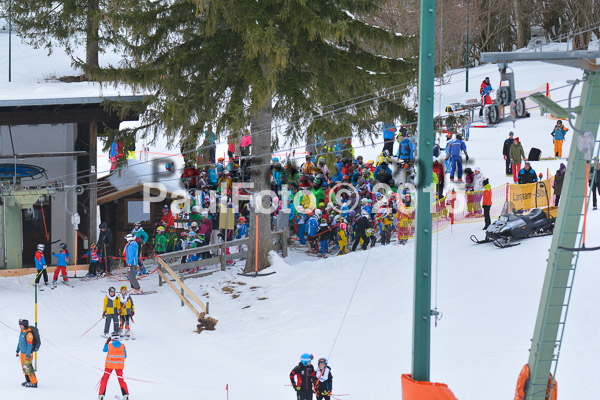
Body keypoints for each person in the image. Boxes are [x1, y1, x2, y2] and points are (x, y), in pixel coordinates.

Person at [98, 331, 130, 400]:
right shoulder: (122, 346)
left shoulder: (109, 345)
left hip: (109, 366)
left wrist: (107, 342)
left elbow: (104, 350)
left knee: (105, 379)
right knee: (121, 380)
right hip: (119, 366)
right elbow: (125, 356)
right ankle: (125, 395)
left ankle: (101, 395)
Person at [16, 319, 38, 388]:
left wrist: (28, 355)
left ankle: (34, 383)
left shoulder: (29, 334)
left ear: (24, 325)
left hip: (27, 354)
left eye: (21, 325)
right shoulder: (22, 332)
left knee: (28, 368)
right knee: (24, 368)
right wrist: (17, 350)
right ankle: (28, 381)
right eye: (20, 325)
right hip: (22, 354)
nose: (20, 326)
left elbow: (29, 345)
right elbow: (20, 342)